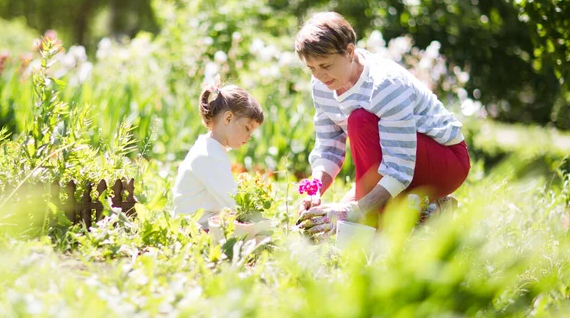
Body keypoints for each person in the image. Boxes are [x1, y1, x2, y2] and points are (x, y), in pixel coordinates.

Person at [295, 12, 470, 237]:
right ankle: (430, 210)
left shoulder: (384, 85)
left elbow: (399, 170)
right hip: (394, 162)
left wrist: (351, 211)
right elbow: (329, 146)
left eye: (325, 65)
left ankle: (396, 218)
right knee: (334, 225)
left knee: (360, 121)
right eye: (312, 68)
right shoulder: (322, 84)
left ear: (349, 52)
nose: (319, 75)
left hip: (444, 161)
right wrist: (314, 189)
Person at [173, 82, 264, 229]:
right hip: (195, 231)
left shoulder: (210, 148)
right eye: (247, 128)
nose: (249, 137)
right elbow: (232, 202)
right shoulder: (209, 155)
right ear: (228, 118)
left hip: (199, 226)